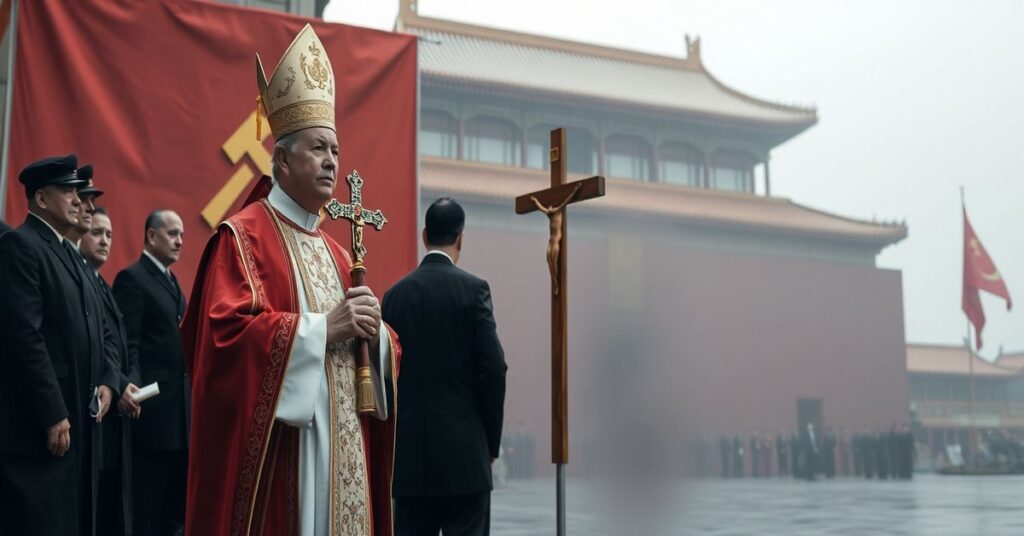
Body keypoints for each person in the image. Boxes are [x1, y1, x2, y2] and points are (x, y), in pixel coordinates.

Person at [181, 24, 401, 536]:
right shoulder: (243, 237)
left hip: (346, 450)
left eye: (336, 151)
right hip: (293, 459)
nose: (332, 161)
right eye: (319, 148)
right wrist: (324, 330)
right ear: (282, 159)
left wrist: (380, 339)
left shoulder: (338, 253)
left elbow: (372, 348)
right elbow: (223, 342)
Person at [0, 155, 121, 535]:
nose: (78, 199)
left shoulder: (69, 254)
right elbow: (24, 338)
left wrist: (107, 379)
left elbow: (96, 329)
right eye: (67, 191)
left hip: (81, 422)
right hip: (44, 427)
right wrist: (52, 411)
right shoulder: (21, 246)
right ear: (40, 199)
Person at [383, 198, 507, 536]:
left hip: (411, 462)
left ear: (425, 235)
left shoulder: (394, 297)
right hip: (465, 459)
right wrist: (490, 444)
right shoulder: (474, 290)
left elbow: (385, 376)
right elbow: (494, 368)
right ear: (461, 239)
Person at [112, 209, 187, 535]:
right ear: (152, 236)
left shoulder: (172, 281)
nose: (179, 241)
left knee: (174, 509)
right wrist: (132, 386)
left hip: (180, 416)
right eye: (172, 234)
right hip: (152, 413)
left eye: (182, 235)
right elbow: (129, 343)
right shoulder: (133, 278)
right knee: (148, 508)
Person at [81, 205, 138, 534]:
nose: (104, 240)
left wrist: (122, 382)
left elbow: (115, 345)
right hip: (94, 409)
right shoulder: (85, 278)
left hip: (114, 405)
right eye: (97, 232)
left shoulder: (101, 282)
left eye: (110, 235)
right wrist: (116, 382)